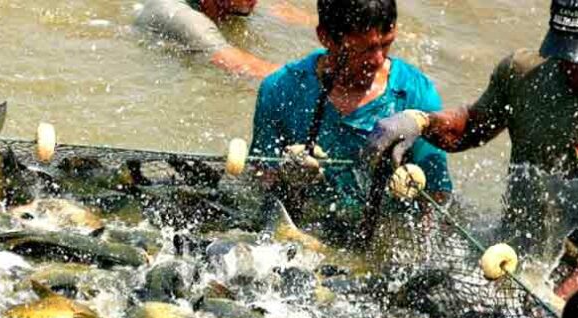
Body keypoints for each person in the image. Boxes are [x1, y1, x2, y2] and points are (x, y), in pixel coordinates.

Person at [366, 0, 578, 300]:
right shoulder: (523, 72)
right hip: (510, 251)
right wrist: (420, 121)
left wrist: (559, 303)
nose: (570, 66)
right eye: (564, 52)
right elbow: (469, 130)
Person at [250, 0, 452, 212]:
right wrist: (285, 176)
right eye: (365, 49)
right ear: (325, 37)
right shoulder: (281, 89)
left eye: (386, 44)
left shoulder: (415, 96)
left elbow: (437, 195)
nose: (378, 60)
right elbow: (258, 178)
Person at [134, 0, 314, 79]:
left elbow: (320, 24)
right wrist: (320, 80)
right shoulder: (182, 17)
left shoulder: (239, 3)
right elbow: (245, 67)